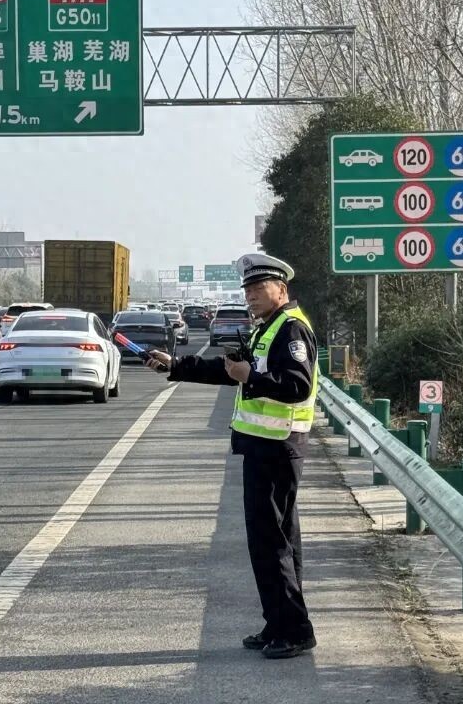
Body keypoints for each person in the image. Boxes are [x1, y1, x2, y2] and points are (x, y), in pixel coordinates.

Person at [146, 253, 318, 659]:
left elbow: (297, 385)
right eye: (248, 290)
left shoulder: (290, 329)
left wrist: (252, 378)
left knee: (270, 542)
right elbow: (229, 371)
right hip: (266, 447)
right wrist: (177, 366)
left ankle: (293, 630)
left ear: (282, 289)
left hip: (277, 448)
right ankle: (280, 622)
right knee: (277, 541)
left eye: (259, 289)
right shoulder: (270, 327)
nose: (252, 296)